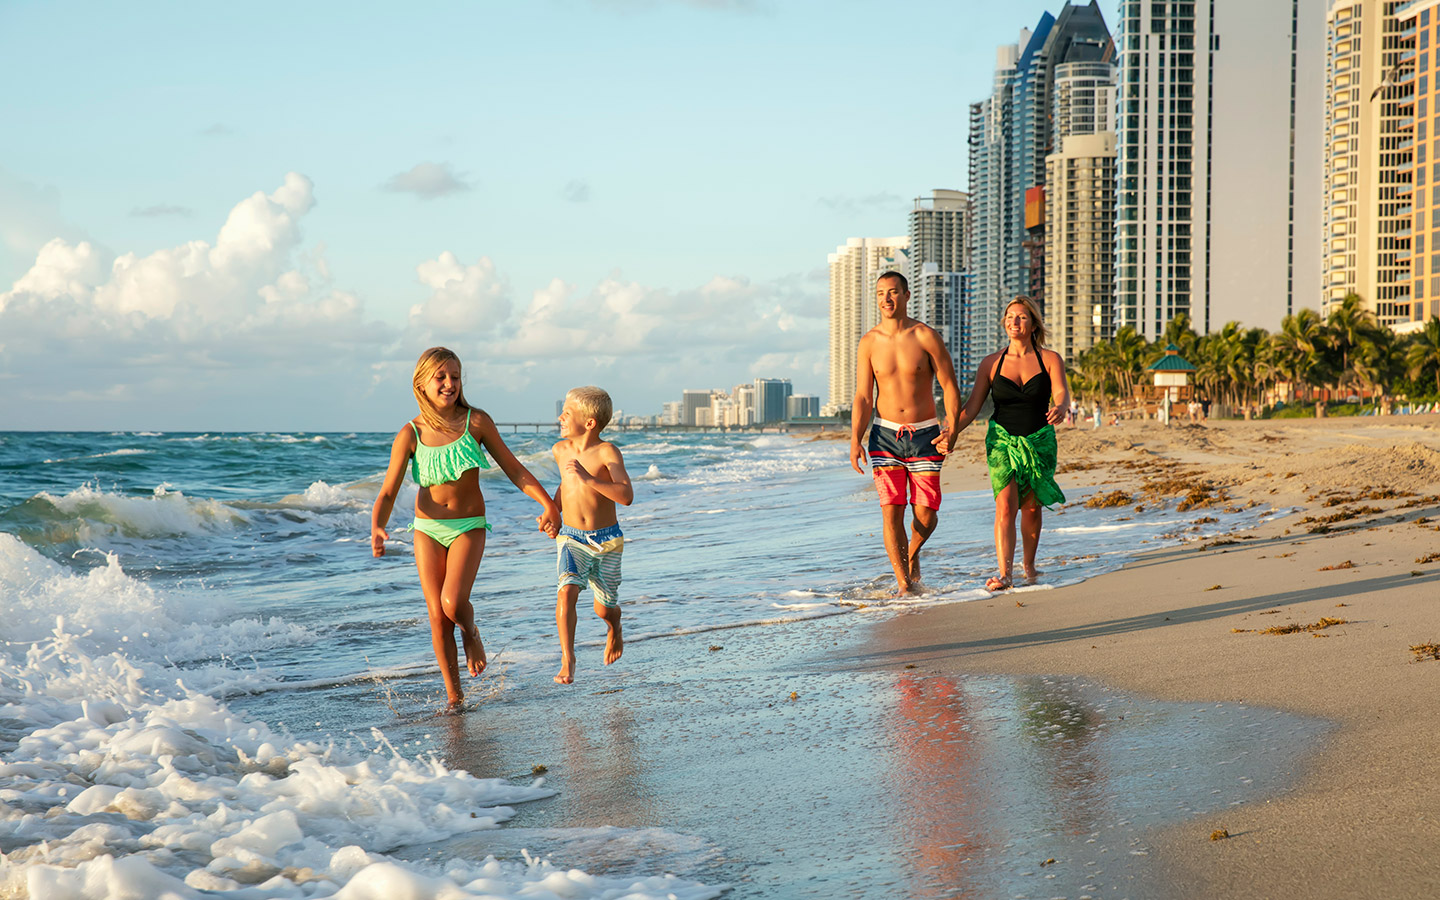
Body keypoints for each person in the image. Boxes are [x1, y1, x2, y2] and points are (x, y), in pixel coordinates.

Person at [372, 347, 559, 710]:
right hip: (427, 528)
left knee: (453, 603)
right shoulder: (410, 433)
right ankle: (455, 697)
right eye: (440, 377)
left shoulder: (477, 422)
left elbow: (514, 469)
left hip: (468, 526)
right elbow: (388, 490)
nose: (449, 384)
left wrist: (547, 502)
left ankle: (471, 632)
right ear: (421, 385)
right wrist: (378, 526)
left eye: (455, 377)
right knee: (436, 615)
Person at [945, 297, 1070, 591]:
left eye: (1022, 317)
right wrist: (951, 432)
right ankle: (1005, 574)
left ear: (1033, 323)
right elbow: (972, 406)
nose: (1015, 322)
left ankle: (1028, 565)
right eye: (1010, 317)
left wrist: (1062, 407)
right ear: (1004, 323)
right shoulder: (991, 363)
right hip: (1001, 440)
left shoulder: (1049, 359)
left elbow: (1062, 393)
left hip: (1039, 440)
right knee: (1004, 506)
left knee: (1031, 507)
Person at [850, 271, 962, 596]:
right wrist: (855, 438)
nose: (887, 299)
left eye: (894, 292)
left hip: (926, 434)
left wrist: (952, 427)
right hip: (884, 436)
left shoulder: (925, 336)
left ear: (907, 295)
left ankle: (912, 555)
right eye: (881, 293)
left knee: (925, 513)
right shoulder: (869, 342)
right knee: (891, 509)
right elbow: (862, 396)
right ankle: (903, 583)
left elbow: (949, 386)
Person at [549, 386, 634, 684]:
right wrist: (552, 511)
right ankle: (568, 659)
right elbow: (564, 487)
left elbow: (626, 495)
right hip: (572, 539)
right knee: (566, 591)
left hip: (607, 541)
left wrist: (589, 478)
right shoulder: (560, 450)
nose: (560, 416)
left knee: (603, 608)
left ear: (589, 423)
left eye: (567, 412)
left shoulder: (607, 452)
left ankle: (615, 627)